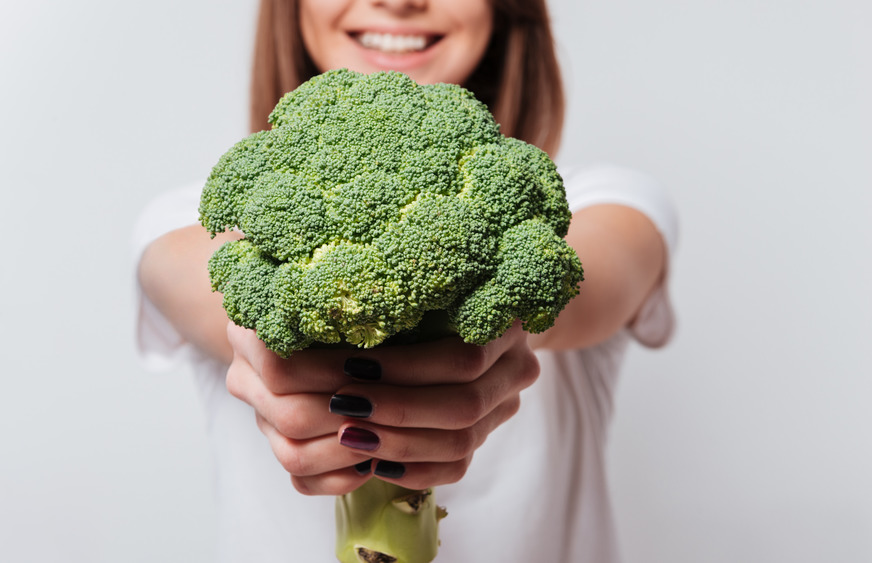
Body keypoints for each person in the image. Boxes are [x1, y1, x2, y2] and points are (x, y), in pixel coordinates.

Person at [133, 0, 678, 561]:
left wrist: (491, 307)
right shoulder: (191, 217)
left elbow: (593, 274)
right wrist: (269, 329)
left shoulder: (604, 201)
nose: (397, 1)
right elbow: (190, 275)